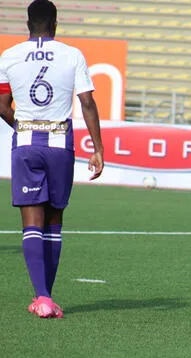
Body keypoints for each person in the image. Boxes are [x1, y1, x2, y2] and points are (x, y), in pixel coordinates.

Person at [0, 0, 104, 318]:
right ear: (55, 23)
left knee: (32, 223)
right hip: (61, 145)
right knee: (54, 222)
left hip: (27, 144)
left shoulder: (9, 55)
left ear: (28, 23)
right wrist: (98, 148)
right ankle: (47, 295)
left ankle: (42, 297)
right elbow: (86, 101)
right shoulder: (72, 54)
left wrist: (23, 126)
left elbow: (3, 105)